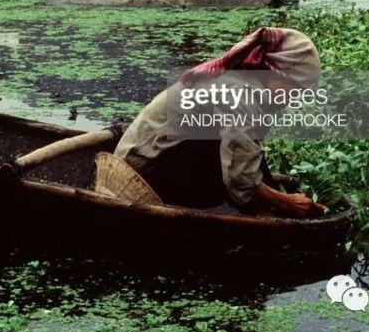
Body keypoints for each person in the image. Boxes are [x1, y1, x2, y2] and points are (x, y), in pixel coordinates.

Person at [114, 27, 327, 218]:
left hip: (160, 159)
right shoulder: (239, 93)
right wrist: (284, 202)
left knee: (242, 149)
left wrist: (270, 190)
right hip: (140, 170)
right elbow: (241, 178)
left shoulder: (251, 86)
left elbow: (248, 149)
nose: (294, 99)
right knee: (229, 157)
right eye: (296, 90)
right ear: (276, 72)